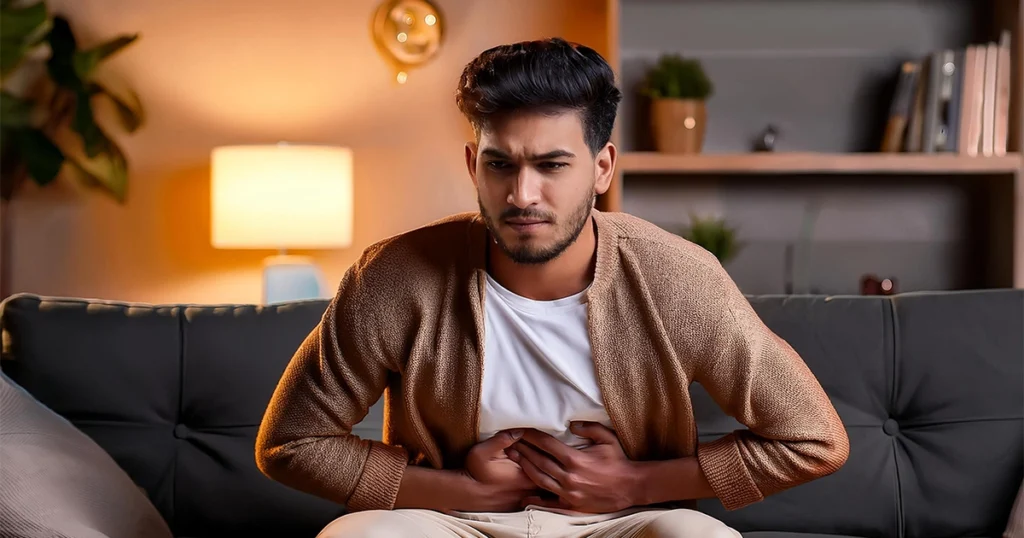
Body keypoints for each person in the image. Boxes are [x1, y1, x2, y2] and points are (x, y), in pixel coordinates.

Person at [255, 37, 849, 538]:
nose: (522, 195)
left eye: (552, 165)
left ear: (602, 168)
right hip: (448, 520)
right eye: (501, 165)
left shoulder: (678, 278)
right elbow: (291, 442)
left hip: (625, 520)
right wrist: (462, 489)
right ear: (473, 165)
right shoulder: (395, 274)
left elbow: (814, 438)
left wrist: (634, 483)